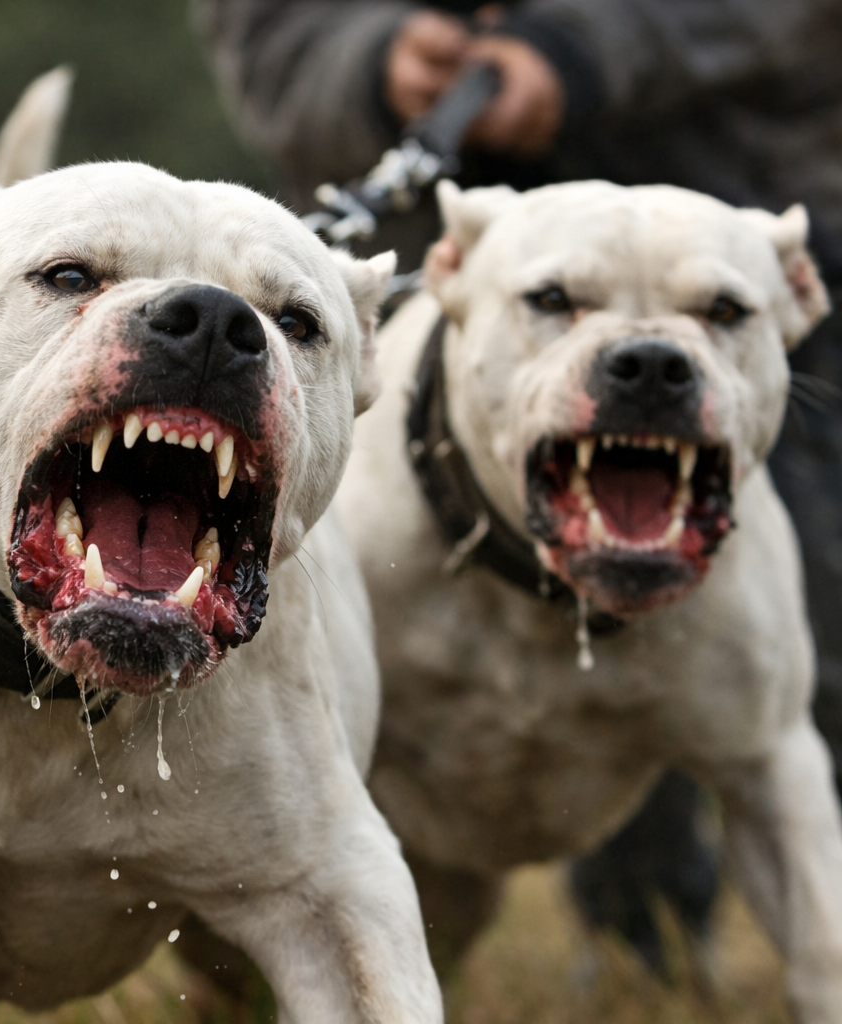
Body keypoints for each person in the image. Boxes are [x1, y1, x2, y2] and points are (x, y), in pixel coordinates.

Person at [193, 0, 842, 979]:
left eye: (712, 318)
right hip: (439, 206)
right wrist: (367, 64)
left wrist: (584, 44)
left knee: (799, 679)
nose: (647, 360)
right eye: (560, 306)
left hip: (734, 168)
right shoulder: (362, 523)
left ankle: (652, 956)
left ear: (792, 299)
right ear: (448, 275)